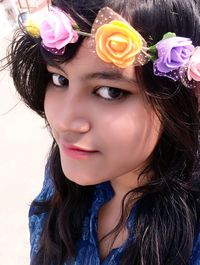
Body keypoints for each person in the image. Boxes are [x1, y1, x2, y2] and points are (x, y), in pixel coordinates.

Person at [6, 0, 200, 264]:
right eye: (59, 79)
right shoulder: (64, 183)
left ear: (183, 100)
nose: (64, 122)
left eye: (110, 92)